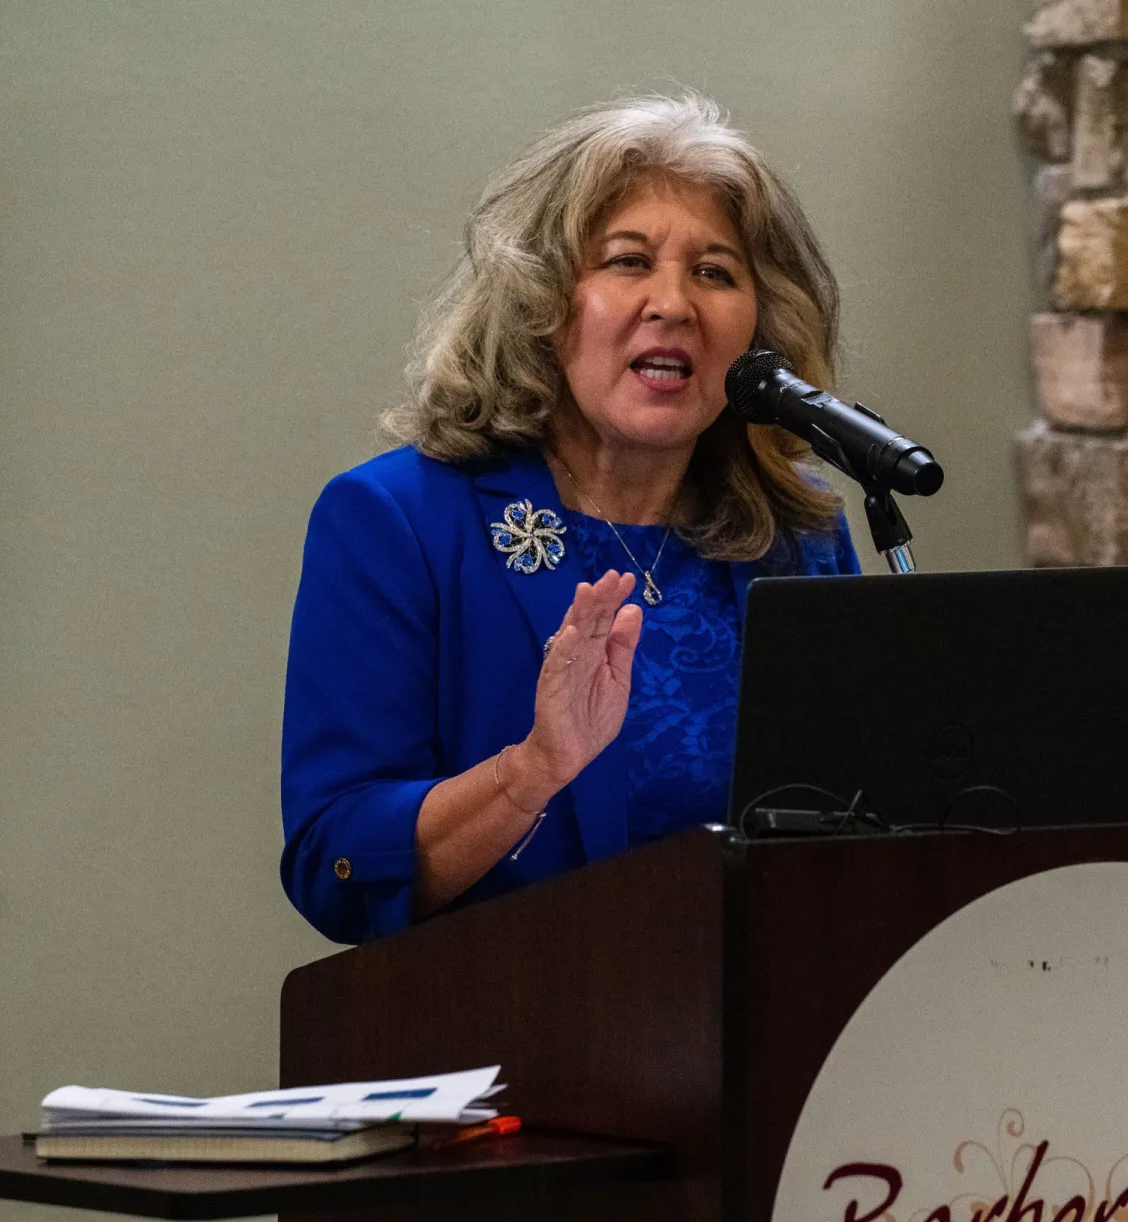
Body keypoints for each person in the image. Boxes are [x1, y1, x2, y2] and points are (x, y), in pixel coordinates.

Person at [280, 95, 860, 945]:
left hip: (766, 1034)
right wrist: (531, 773)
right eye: (628, 262)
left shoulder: (796, 535)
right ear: (541, 303)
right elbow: (335, 862)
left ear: (759, 332)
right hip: (512, 1032)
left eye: (715, 272)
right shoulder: (398, 522)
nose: (674, 303)